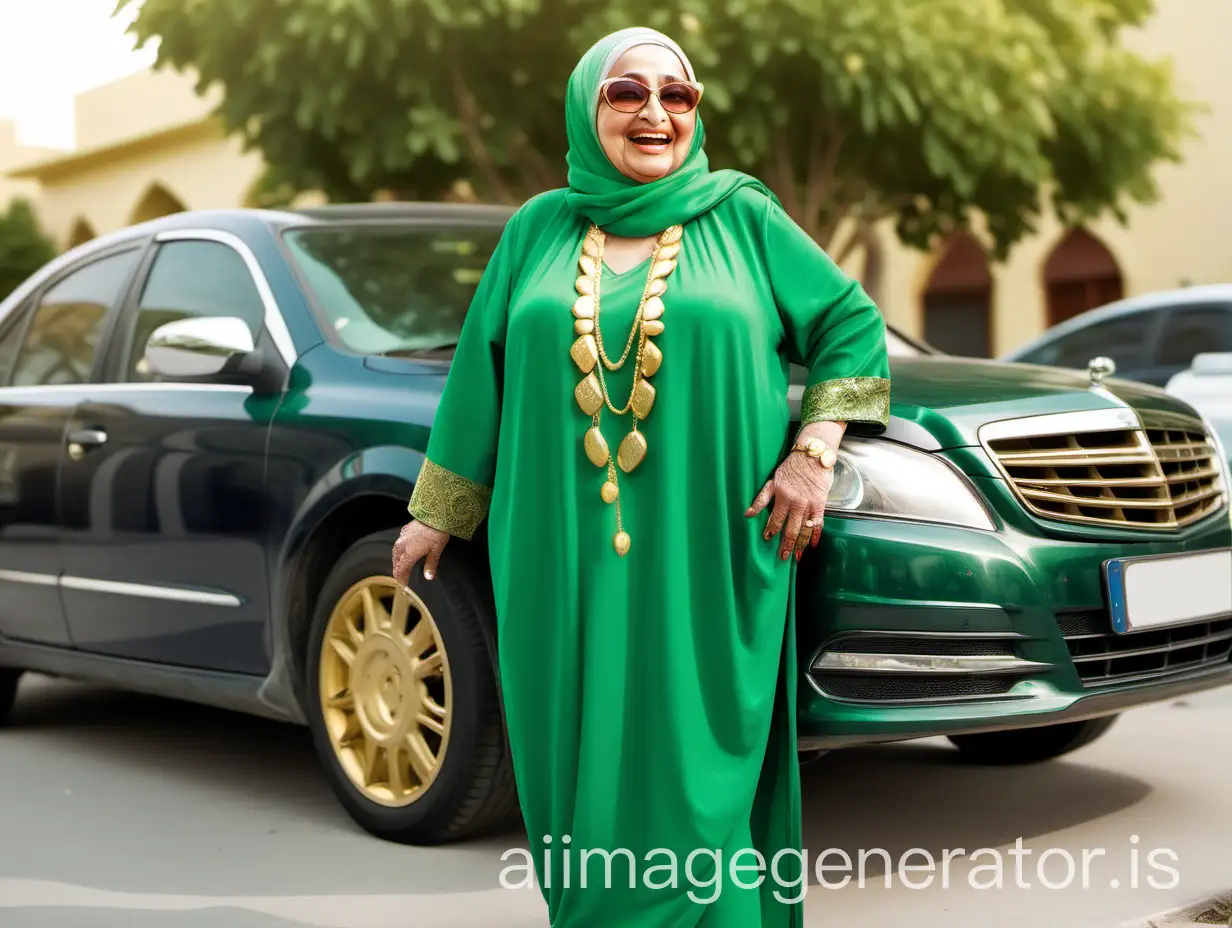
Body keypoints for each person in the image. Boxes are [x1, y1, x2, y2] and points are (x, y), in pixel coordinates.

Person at [392, 25, 890, 927]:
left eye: (678, 94)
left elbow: (850, 326)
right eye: (628, 93)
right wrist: (439, 510)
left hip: (710, 551)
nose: (655, 112)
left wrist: (812, 457)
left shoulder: (743, 216)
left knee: (700, 783)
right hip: (556, 552)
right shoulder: (537, 230)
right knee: (575, 774)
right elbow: (480, 376)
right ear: (590, 108)